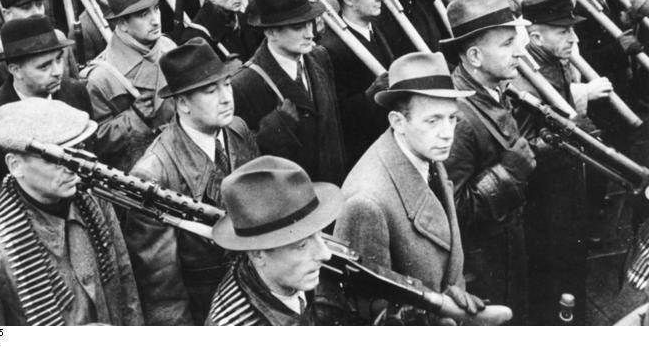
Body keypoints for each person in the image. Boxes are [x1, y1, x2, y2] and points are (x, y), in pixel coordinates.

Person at [0, 98, 143, 325]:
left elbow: (127, 292)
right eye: (56, 159)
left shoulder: (93, 201)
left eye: (77, 151)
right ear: (15, 165)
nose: (73, 168)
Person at [335, 51, 484, 323]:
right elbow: (369, 313)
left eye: (452, 118)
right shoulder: (367, 202)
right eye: (433, 120)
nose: (448, 132)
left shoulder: (423, 152)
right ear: (398, 122)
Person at [126, 38, 259, 325]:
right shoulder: (153, 174)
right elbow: (162, 290)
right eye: (211, 91)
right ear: (182, 103)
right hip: (208, 311)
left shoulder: (237, 129)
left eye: (227, 84)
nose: (226, 97)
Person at [441, 0, 536, 323]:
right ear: (475, 57)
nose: (520, 52)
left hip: (505, 251)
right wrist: (509, 173)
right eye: (507, 44)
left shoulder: (490, 92)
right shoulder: (459, 117)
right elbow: (456, 209)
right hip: (486, 267)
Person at [0, 15, 91, 234]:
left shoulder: (75, 93)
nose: (57, 71)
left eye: (59, 59)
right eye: (43, 66)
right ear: (15, 70)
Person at [513, 0, 596, 324]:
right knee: (554, 275)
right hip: (545, 201)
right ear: (535, 37)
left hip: (565, 190)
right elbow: (521, 146)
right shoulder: (528, 79)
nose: (573, 39)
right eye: (563, 32)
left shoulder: (550, 63)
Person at [231, 0, 348, 185]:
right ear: (271, 32)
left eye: (310, 23)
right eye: (297, 27)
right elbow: (246, 168)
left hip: (334, 192)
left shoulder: (320, 57)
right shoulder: (244, 85)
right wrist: (270, 135)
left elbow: (335, 132)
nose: (310, 33)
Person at [206, 155, 344, 326]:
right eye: (301, 245)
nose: (325, 254)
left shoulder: (290, 276)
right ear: (257, 254)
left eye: (320, 233)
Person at [84, 0, 176, 172]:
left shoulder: (168, 46)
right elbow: (96, 142)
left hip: (181, 160)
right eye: (143, 14)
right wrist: (134, 118)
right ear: (123, 24)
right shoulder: (101, 76)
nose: (155, 20)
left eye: (156, 9)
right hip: (142, 174)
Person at [320, 0, 394, 167]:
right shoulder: (330, 48)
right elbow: (337, 116)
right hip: (368, 153)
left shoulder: (378, 28)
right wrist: (370, 95)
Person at [0, 0, 78, 103]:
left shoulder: (58, 38)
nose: (36, 13)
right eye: (26, 8)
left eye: (39, 5)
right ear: (7, 14)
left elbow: (73, 80)